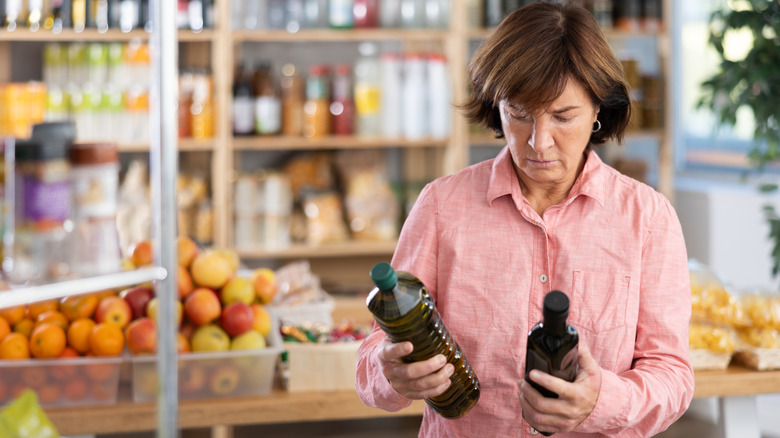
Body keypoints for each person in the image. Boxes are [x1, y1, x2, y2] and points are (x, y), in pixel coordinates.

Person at [355, 2, 694, 437]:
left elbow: (672, 374)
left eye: (563, 116)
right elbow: (372, 354)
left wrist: (602, 401)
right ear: (495, 106)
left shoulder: (647, 218)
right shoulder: (441, 206)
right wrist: (389, 375)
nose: (539, 142)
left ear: (597, 110)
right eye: (518, 113)